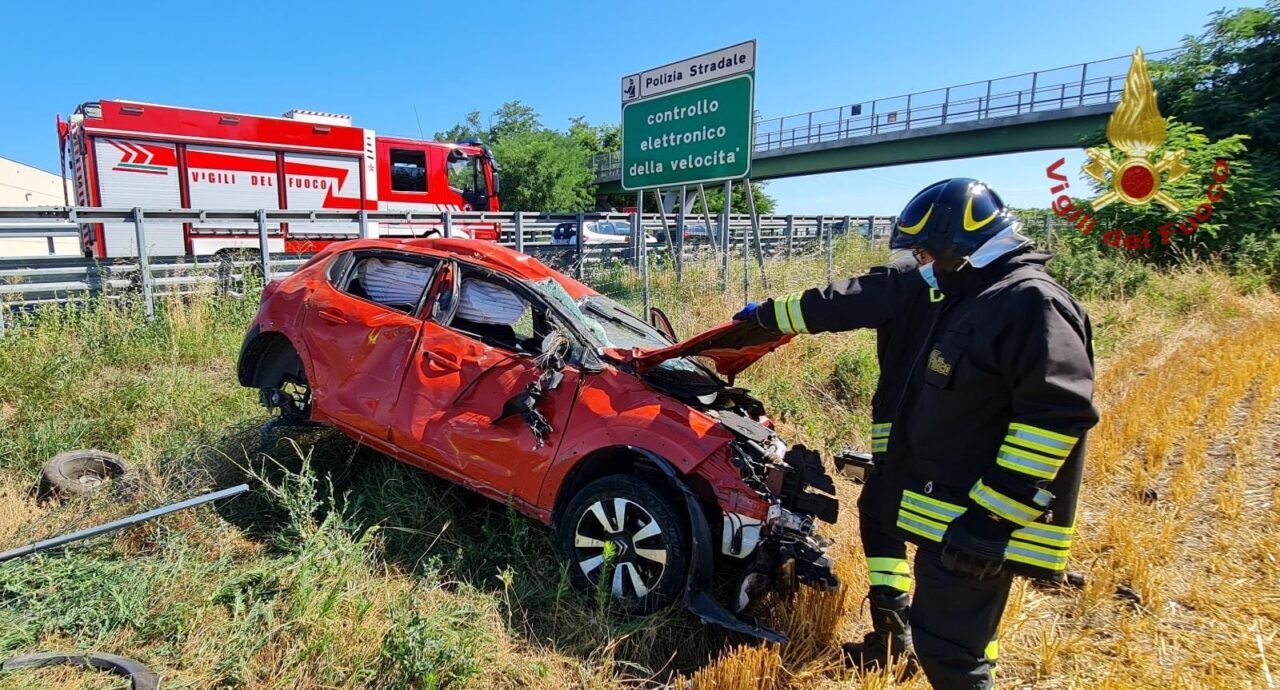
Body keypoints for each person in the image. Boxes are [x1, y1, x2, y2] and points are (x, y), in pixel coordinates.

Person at [739, 178, 1099, 689]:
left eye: (927, 251)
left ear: (960, 242)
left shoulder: (1028, 303)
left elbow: (1055, 416)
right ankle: (895, 633)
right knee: (951, 632)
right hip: (952, 504)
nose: (921, 261)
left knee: (951, 648)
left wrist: (993, 518)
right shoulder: (975, 294)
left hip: (978, 517)